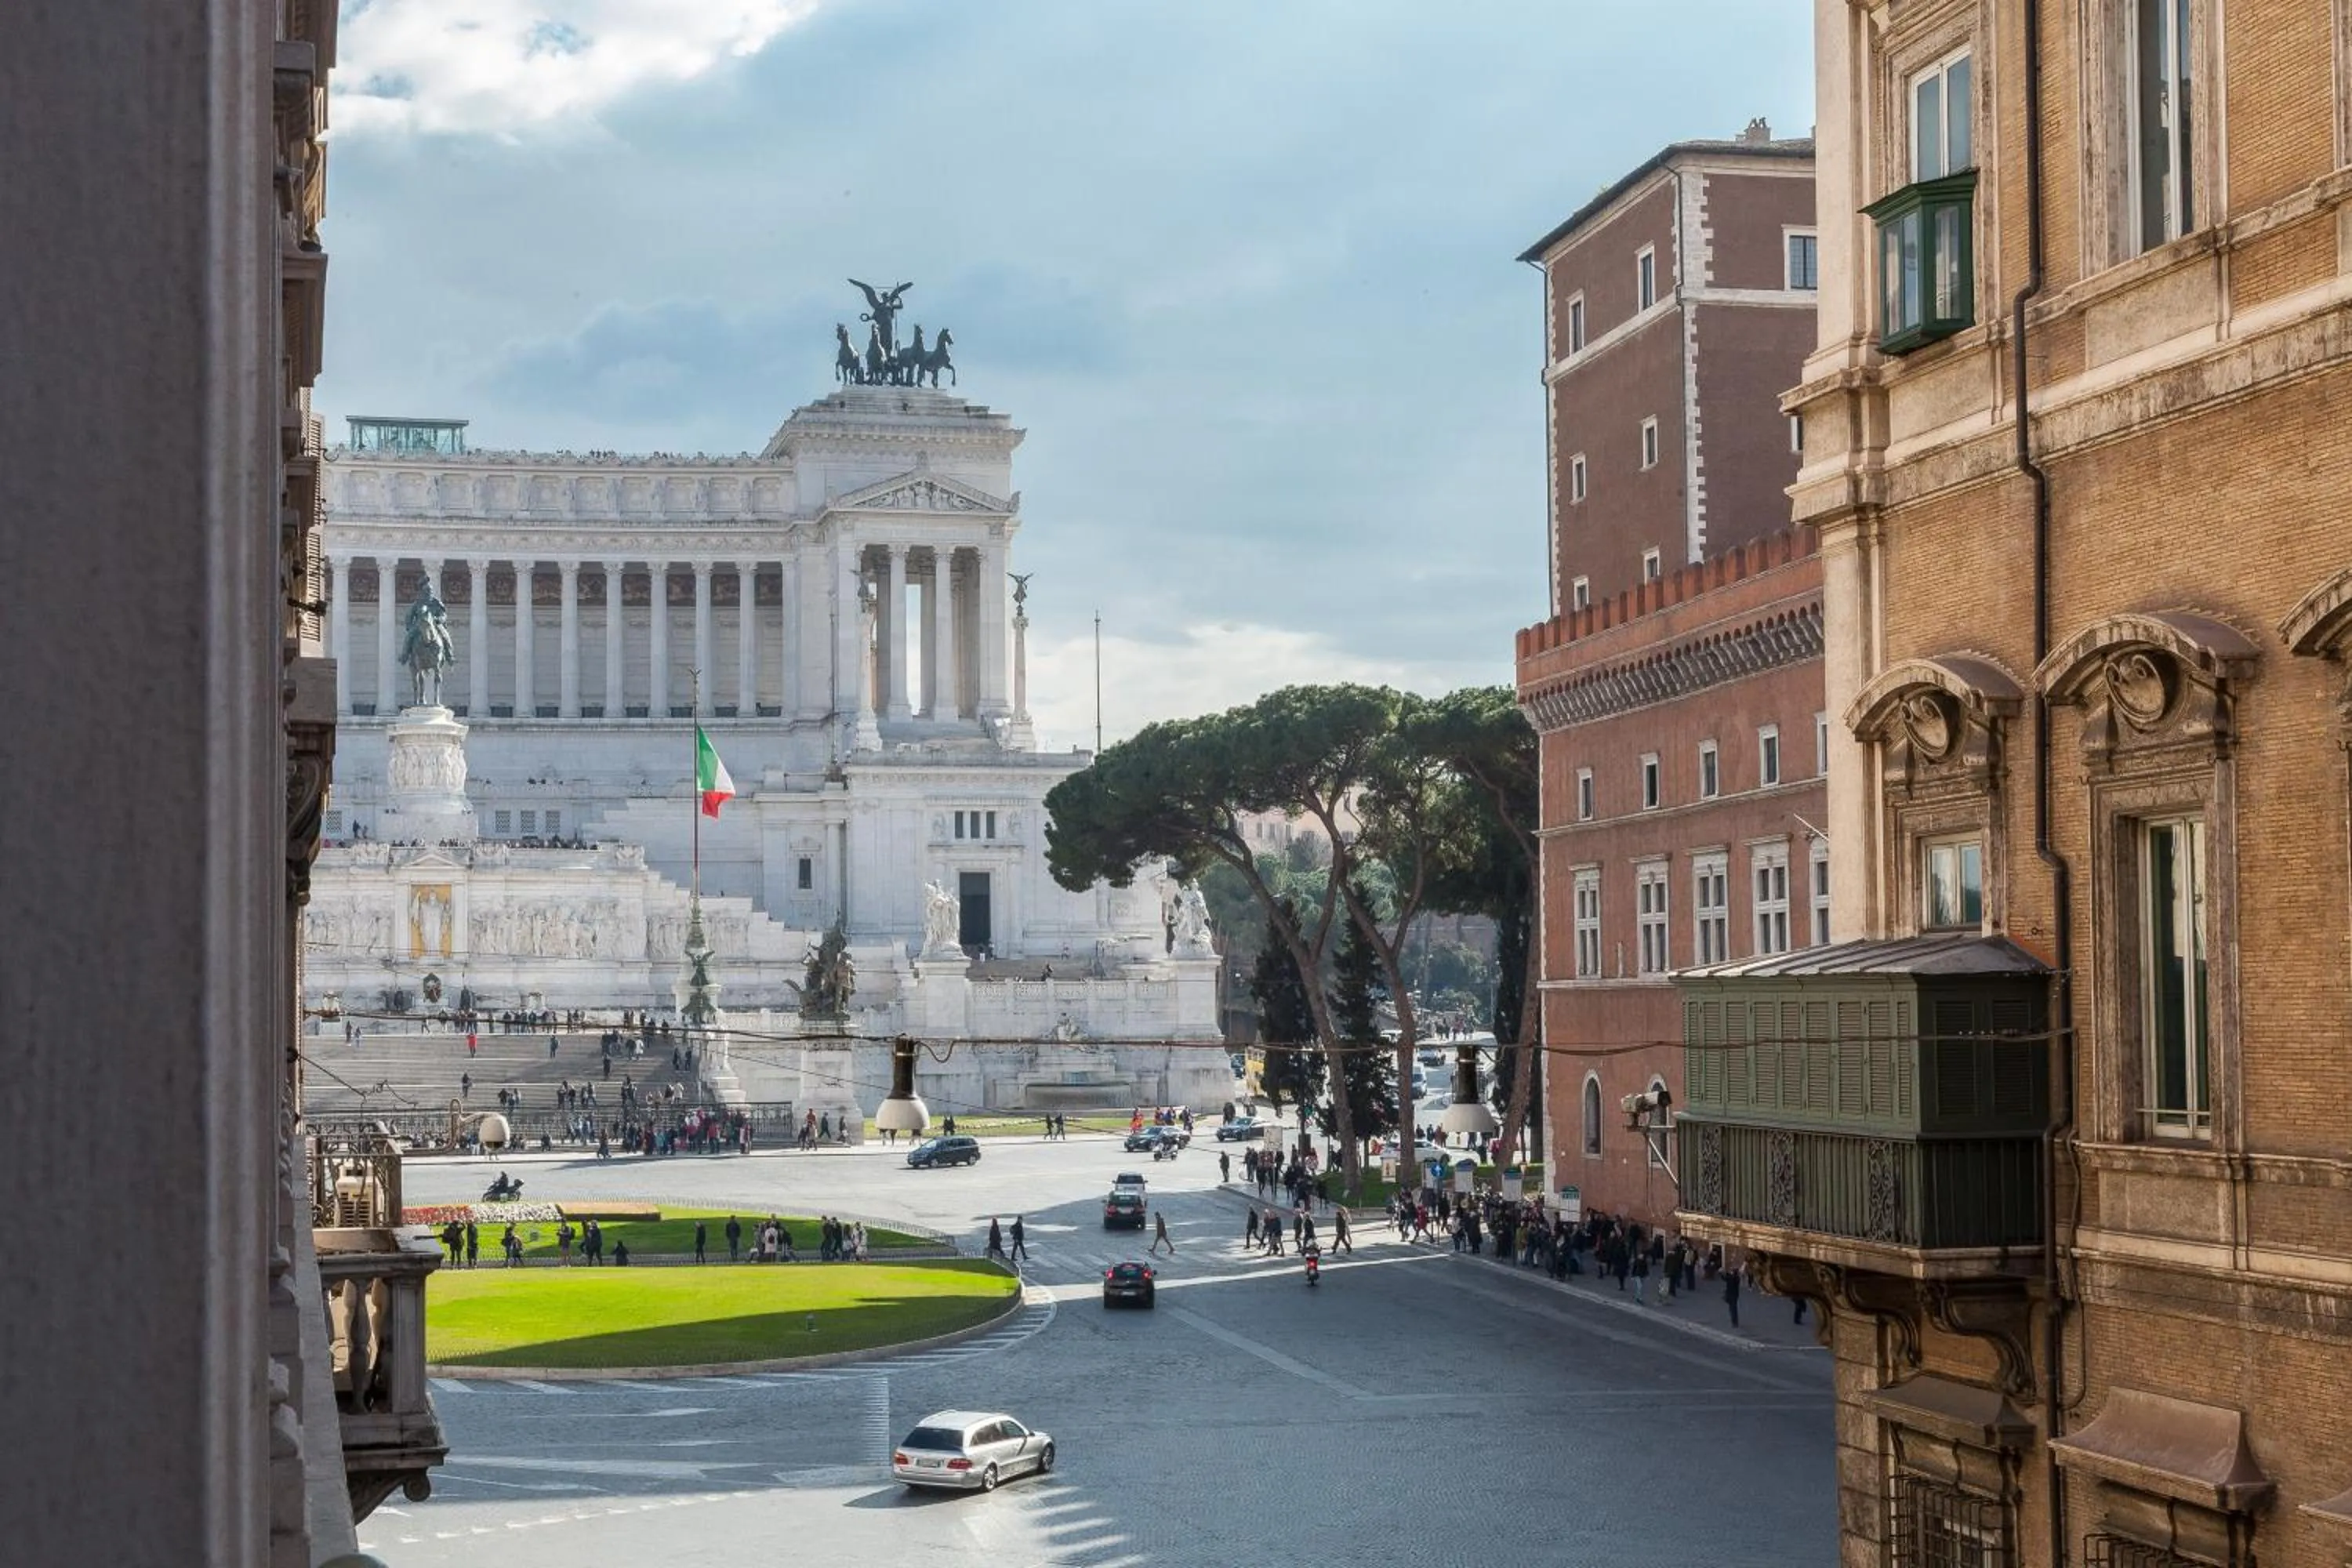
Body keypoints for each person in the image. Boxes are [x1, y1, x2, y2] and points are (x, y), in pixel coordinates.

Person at [1724, 1258, 1743, 1328]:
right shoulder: (1736, 1278)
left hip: (1731, 1295)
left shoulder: (1732, 1278)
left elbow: (1726, 1278)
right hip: (1735, 1295)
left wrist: (1723, 1273)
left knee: (1732, 1310)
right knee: (1733, 1309)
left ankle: (1734, 1323)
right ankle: (1735, 1322)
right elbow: (1726, 1278)